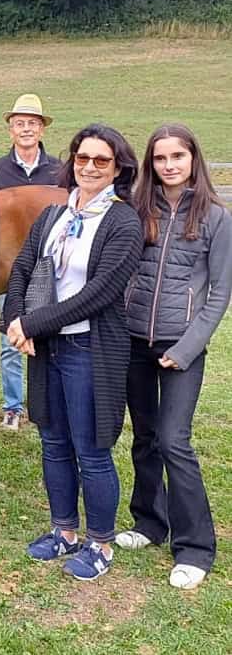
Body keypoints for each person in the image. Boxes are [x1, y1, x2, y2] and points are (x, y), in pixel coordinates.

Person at [4, 123, 143, 581]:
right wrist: (14, 322)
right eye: (82, 158)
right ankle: (64, 531)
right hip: (48, 349)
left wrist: (31, 323)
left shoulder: (122, 222)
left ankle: (100, 543)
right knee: (53, 442)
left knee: (92, 449)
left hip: (91, 349)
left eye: (101, 160)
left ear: (117, 167)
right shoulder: (54, 214)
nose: (89, 167)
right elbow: (24, 268)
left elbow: (99, 294)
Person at [118, 124, 231, 590]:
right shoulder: (136, 209)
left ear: (192, 159)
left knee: (173, 440)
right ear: (151, 163)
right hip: (133, 342)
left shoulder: (216, 218)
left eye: (177, 156)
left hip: (182, 345)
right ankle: (149, 521)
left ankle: (196, 546)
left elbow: (220, 292)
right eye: (160, 158)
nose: (169, 165)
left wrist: (185, 349)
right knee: (143, 436)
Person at [0, 94, 61, 431]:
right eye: (20, 123)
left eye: (32, 123)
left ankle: (47, 403)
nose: (26, 129)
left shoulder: (59, 171)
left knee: (51, 337)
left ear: (42, 129)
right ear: (11, 129)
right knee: (10, 339)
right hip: (12, 267)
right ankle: (13, 406)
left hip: (51, 269)